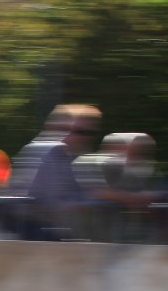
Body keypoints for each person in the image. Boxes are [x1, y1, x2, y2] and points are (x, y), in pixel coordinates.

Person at [6, 103, 102, 240]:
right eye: (72, 130)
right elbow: (52, 203)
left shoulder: (79, 156)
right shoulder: (47, 151)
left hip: (52, 227)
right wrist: (95, 200)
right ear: (53, 128)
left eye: (88, 133)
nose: (80, 137)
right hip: (28, 228)